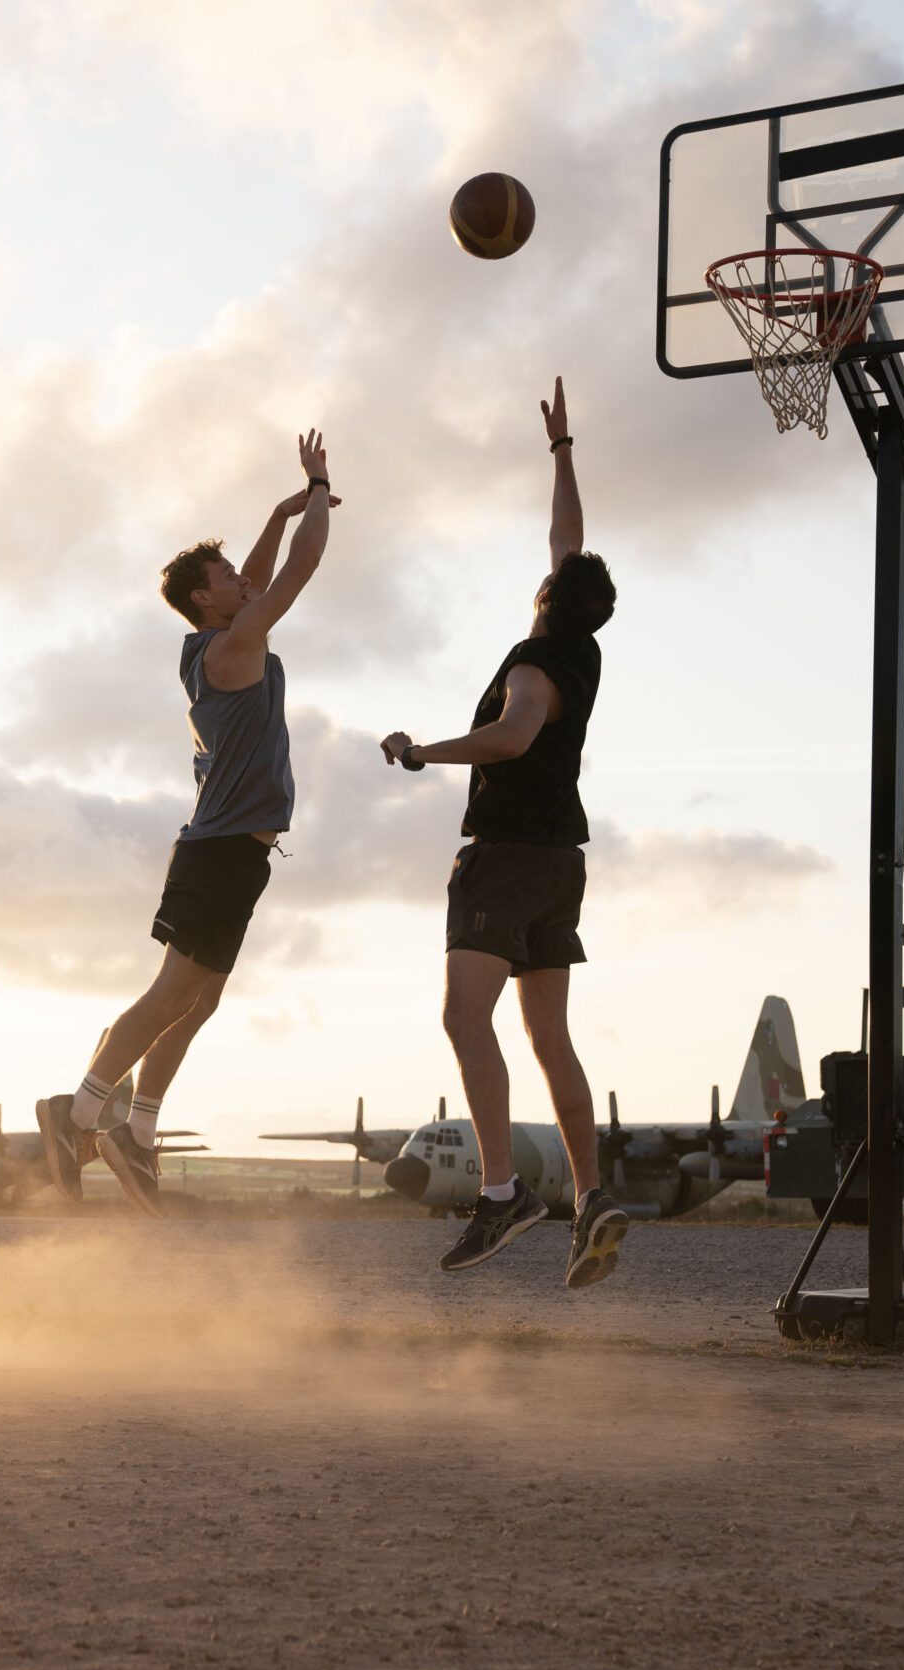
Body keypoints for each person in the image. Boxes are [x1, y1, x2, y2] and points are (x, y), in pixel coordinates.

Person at [36, 431, 336, 1217]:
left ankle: (135, 1129)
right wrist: (314, 489)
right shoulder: (233, 648)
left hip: (240, 854)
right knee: (173, 993)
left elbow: (267, 572)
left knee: (198, 1000)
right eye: (228, 576)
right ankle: (73, 1115)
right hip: (217, 852)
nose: (243, 580)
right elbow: (299, 571)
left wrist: (273, 517)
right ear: (208, 599)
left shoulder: (228, 635)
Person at [378, 378, 625, 1285]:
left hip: (510, 859)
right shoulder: (583, 645)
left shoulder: (534, 665)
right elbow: (569, 536)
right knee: (548, 1038)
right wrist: (563, 451)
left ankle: (501, 1193)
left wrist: (423, 751)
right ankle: (591, 1195)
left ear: (547, 599)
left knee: (461, 1015)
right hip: (563, 862)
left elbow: (515, 733)